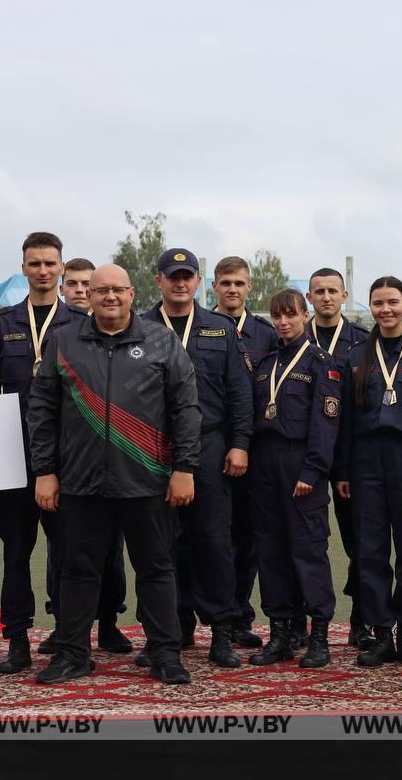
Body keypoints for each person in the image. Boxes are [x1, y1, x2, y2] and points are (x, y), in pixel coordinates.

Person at [31, 264, 201, 685]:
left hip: (146, 480)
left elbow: (186, 409)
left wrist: (184, 468)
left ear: (131, 293)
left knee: (156, 569)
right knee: (77, 571)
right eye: (101, 290)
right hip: (80, 481)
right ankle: (73, 654)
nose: (110, 297)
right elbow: (42, 410)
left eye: (118, 290)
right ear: (87, 295)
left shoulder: (162, 341)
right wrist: (45, 471)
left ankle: (164, 653)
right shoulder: (63, 341)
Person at [0, 233, 128, 675]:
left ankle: (70, 638)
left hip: (66, 462)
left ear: (62, 269)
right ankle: (18, 641)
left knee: (70, 554)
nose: (42, 270)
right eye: (34, 263)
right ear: (23, 268)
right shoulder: (1, 324)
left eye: (49, 263)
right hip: (15, 457)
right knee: (15, 553)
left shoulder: (80, 326)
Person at [141, 248, 252, 668]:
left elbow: (240, 393)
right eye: (173, 276)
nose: (180, 283)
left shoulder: (220, 330)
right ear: (159, 281)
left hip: (209, 447)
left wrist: (239, 443)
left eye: (188, 276)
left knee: (213, 542)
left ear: (198, 281)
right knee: (159, 545)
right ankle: (166, 631)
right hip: (153, 448)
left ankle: (220, 632)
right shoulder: (141, 327)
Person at [335, 277, 402, 667]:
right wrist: (344, 468)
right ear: (369, 307)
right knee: (370, 552)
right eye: (378, 303)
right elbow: (346, 419)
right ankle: (380, 633)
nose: (386, 310)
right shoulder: (355, 354)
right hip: (366, 460)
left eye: (393, 302)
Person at [246, 289, 341, 668]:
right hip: (265, 464)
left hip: (300, 462)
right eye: (277, 316)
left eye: (290, 314)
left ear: (306, 315)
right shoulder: (266, 363)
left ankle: (319, 636)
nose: (283, 322)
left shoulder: (322, 363)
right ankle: (281, 633)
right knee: (270, 551)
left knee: (308, 550)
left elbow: (326, 422)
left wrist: (314, 470)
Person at [212, 256, 279, 649]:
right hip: (208, 444)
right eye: (226, 283)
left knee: (248, 538)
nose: (232, 289)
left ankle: (239, 616)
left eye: (239, 283)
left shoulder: (264, 334)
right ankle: (186, 617)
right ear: (215, 287)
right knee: (201, 535)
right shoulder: (202, 326)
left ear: (248, 287)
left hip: (253, 449)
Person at [305, 267, 371, 646]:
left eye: (333, 291)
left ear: (344, 295)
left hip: (350, 454)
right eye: (319, 291)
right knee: (304, 540)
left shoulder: (362, 341)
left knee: (359, 541)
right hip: (306, 453)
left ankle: (361, 619)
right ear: (310, 298)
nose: (326, 297)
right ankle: (301, 620)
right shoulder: (295, 337)